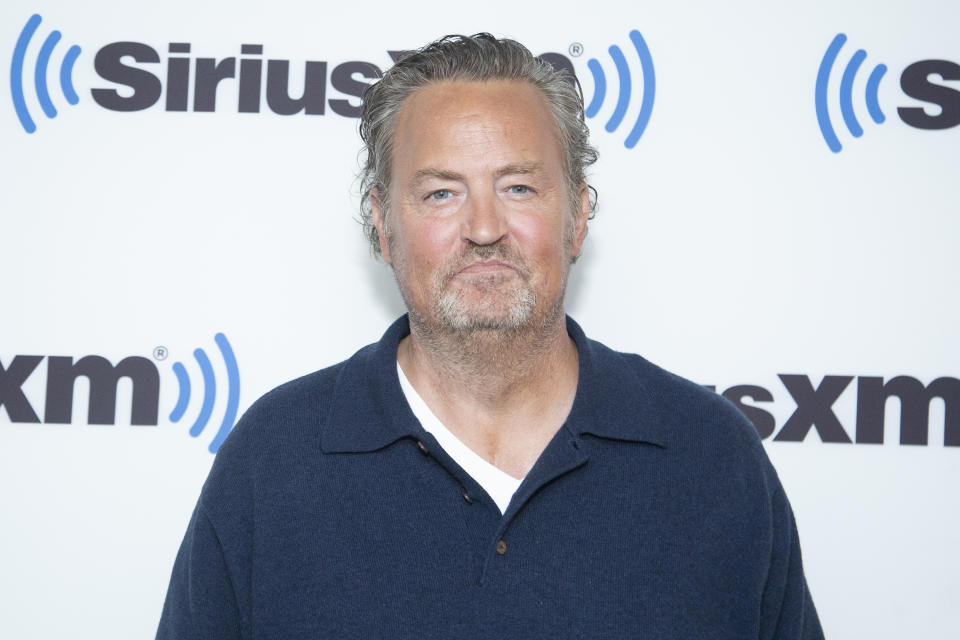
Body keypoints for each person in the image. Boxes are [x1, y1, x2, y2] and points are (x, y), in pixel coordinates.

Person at [156, 33, 824, 639]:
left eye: (519, 187)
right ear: (383, 226)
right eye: (441, 193)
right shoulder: (273, 462)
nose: (483, 228)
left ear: (579, 217)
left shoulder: (710, 457)